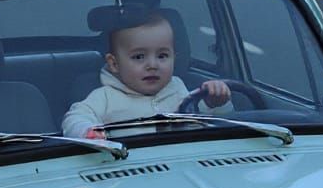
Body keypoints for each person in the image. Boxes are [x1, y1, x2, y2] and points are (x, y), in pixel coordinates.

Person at [62, 10, 231, 138]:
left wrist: (214, 102)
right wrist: (87, 131)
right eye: (139, 57)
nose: (152, 65)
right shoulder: (105, 97)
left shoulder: (178, 88)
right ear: (114, 63)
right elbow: (74, 118)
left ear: (174, 58)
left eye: (162, 56)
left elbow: (205, 119)